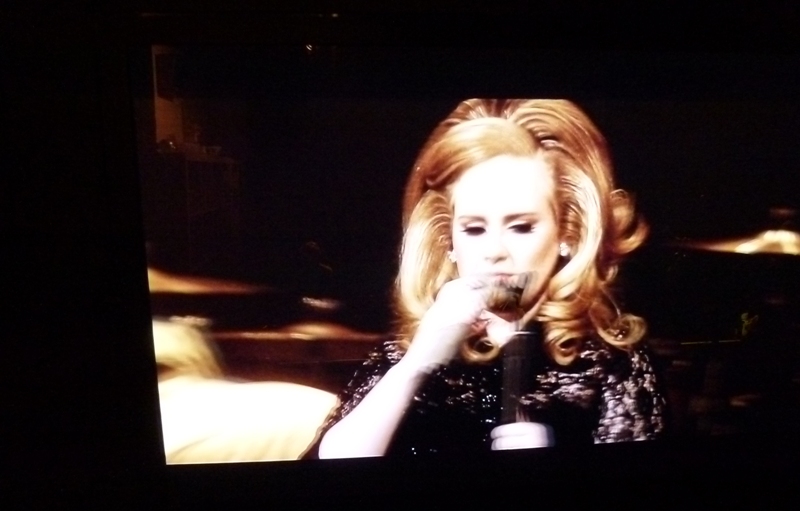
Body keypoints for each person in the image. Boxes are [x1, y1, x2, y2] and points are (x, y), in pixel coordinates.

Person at [305, 99, 665, 459]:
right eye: (474, 230)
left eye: (521, 227)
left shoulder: (611, 361)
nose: (494, 251)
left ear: (567, 234)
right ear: (449, 240)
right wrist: (414, 364)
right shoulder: (410, 349)